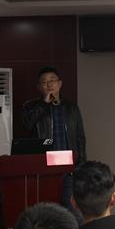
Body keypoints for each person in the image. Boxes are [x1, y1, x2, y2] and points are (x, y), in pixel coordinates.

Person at [21, 67, 86, 214]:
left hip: (69, 164)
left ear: (60, 84)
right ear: (39, 87)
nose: (49, 84)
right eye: (44, 82)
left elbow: (80, 137)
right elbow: (27, 124)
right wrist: (44, 103)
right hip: (44, 165)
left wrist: (81, 165)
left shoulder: (71, 108)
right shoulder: (31, 106)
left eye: (52, 80)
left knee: (72, 208)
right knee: (47, 208)